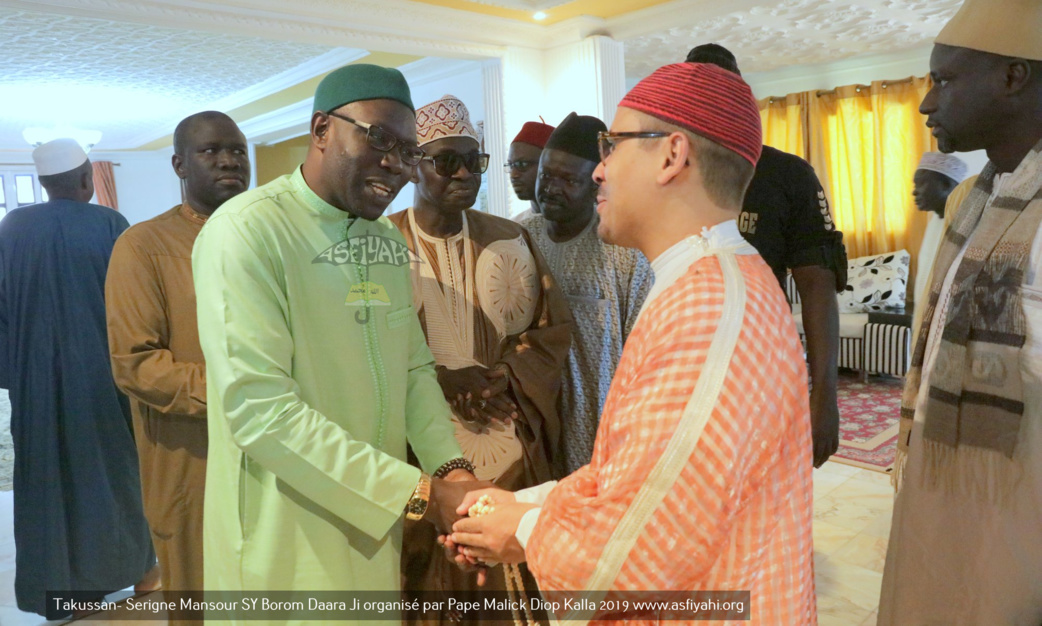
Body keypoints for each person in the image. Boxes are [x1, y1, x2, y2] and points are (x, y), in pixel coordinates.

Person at [448, 62, 815, 624]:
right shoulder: (711, 281)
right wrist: (520, 503)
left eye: (612, 145)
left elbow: (640, 545)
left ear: (672, 155)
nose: (600, 169)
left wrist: (520, 530)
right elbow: (634, 478)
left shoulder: (707, 311)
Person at [191, 65, 482, 622]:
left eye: (408, 150)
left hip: (373, 524)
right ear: (322, 129)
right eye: (379, 139)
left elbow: (413, 369)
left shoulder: (383, 240)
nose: (396, 164)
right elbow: (261, 414)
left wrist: (451, 471)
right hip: (283, 537)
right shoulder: (246, 231)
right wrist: (422, 495)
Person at [880, 0, 1042, 622]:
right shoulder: (975, 201)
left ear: (1013, 76)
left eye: (945, 80)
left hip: (1022, 506)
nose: (927, 102)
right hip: (942, 479)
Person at [388, 95, 571, 623]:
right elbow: (361, 350)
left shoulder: (510, 237)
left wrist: (503, 377)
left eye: (474, 160)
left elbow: (550, 332)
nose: (465, 173)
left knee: (508, 583)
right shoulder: (381, 243)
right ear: (414, 164)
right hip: (416, 447)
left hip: (508, 435)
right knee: (427, 576)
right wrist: (440, 380)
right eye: (448, 161)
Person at [0, 139, 157, 619]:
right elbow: (137, 306)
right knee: (115, 473)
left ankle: (63, 596)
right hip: (103, 379)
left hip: (36, 384)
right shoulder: (110, 224)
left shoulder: (12, 227)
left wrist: (17, 372)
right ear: (89, 180)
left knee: (46, 482)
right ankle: (140, 572)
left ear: (45, 184)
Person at [105, 111, 249, 606]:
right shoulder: (143, 246)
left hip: (277, 451)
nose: (228, 160)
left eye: (237, 150)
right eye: (211, 151)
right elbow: (136, 364)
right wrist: (246, 394)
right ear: (179, 165)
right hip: (192, 457)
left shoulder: (272, 236)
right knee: (201, 596)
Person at [687, 43, 845, 468]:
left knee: (765, 484)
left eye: (725, 95)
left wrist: (824, 394)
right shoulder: (667, 171)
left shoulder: (787, 175)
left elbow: (817, 285)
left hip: (761, 365)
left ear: (744, 99)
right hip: (681, 363)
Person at [518, 112, 652, 474]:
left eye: (568, 180)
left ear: (595, 186)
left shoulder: (624, 251)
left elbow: (644, 350)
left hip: (603, 422)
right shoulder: (519, 238)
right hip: (534, 416)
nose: (551, 188)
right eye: (546, 175)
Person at [910, 151, 966, 333]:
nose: (914, 191)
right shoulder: (935, 222)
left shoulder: (964, 225)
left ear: (946, 185)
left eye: (921, 183)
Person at [507, 120, 555, 221]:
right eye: (511, 165)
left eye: (522, 164)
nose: (513, 175)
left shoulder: (584, 224)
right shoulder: (513, 226)